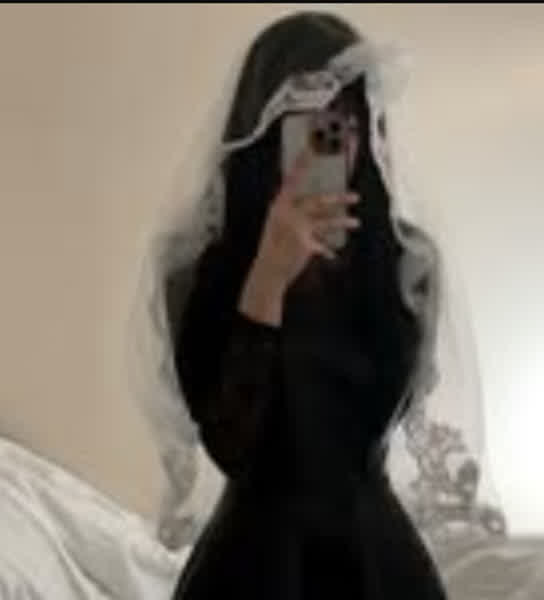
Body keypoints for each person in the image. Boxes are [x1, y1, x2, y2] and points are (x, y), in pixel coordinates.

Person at [170, 11, 448, 600]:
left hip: (374, 559)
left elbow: (373, 424)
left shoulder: (407, 264)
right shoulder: (199, 267)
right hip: (251, 564)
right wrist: (268, 277)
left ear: (368, 132)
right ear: (262, 133)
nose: (324, 146)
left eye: (342, 124)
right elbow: (232, 447)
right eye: (303, 125)